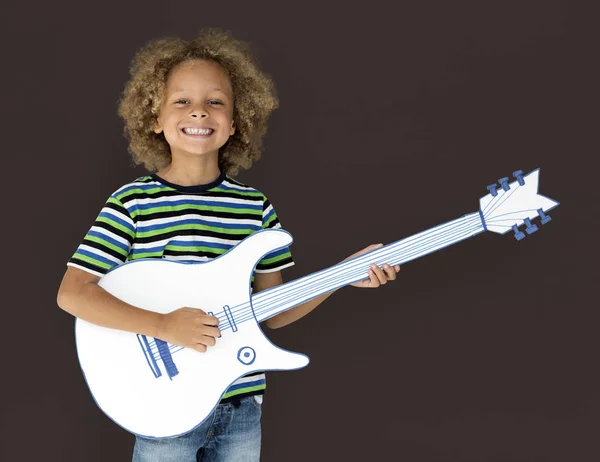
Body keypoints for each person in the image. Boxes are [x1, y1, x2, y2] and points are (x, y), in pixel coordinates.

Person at [56, 27, 400, 462]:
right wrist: (162, 326)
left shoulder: (254, 208)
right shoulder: (132, 203)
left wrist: (343, 275)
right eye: (182, 101)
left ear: (236, 121)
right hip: (165, 407)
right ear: (155, 118)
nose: (199, 112)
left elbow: (271, 310)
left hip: (241, 408)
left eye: (215, 102)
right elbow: (72, 293)